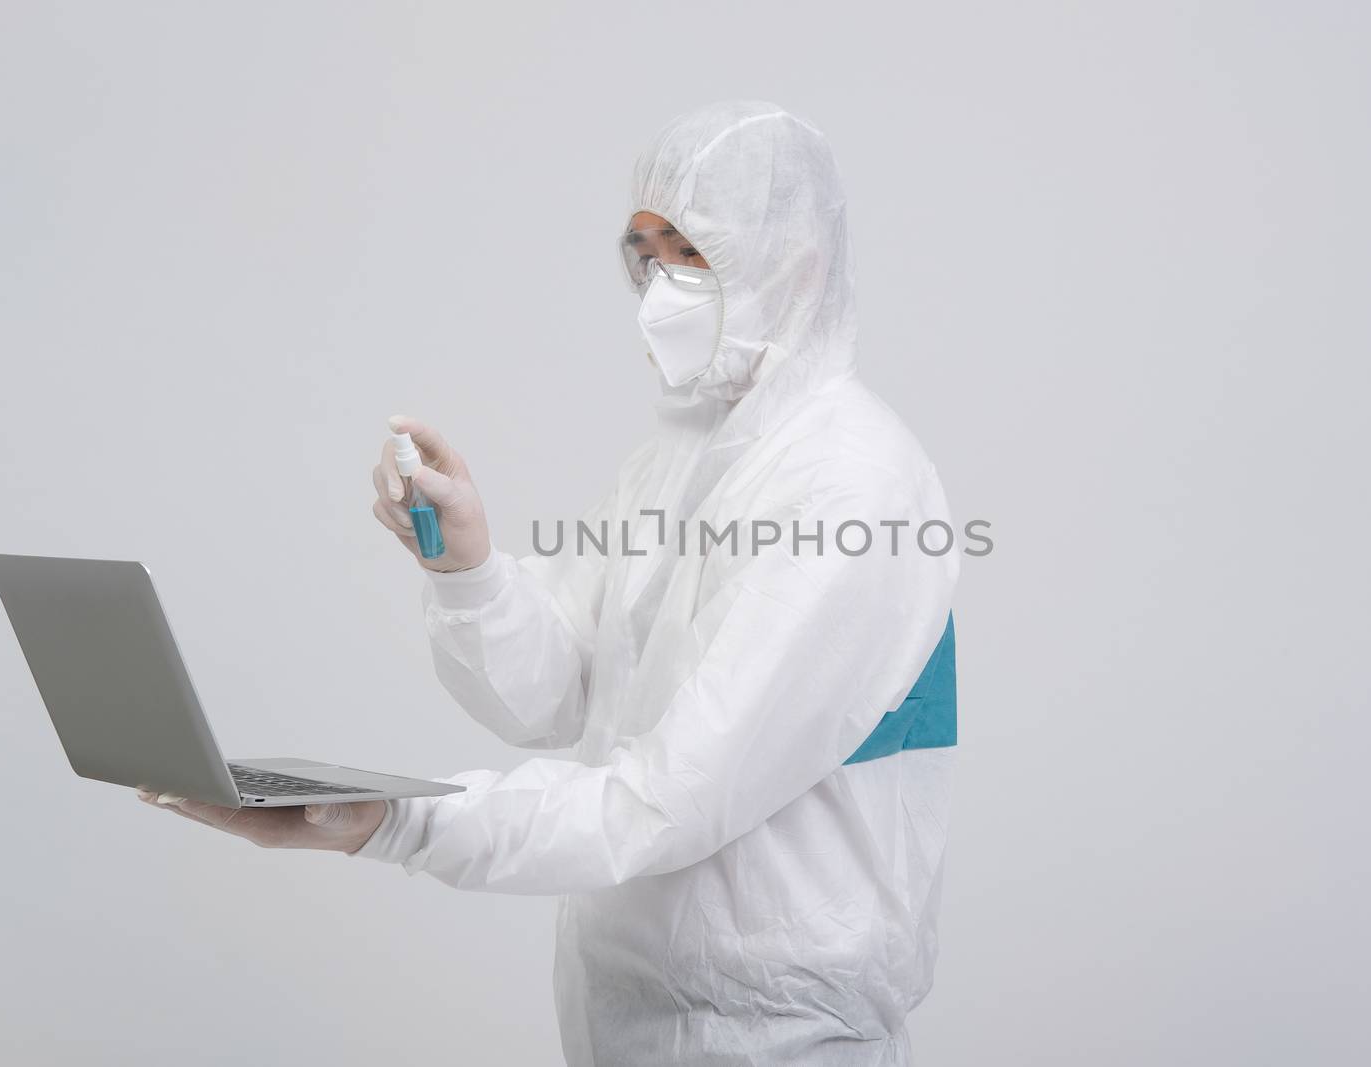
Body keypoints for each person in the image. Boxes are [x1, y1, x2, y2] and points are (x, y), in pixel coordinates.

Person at [142, 100, 960, 1066]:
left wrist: (394, 821)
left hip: (782, 1034)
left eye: (692, 253)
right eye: (644, 254)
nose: (659, 286)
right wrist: (468, 567)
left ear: (800, 266)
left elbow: (666, 799)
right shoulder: (680, 459)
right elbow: (558, 696)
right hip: (623, 1013)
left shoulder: (852, 483)